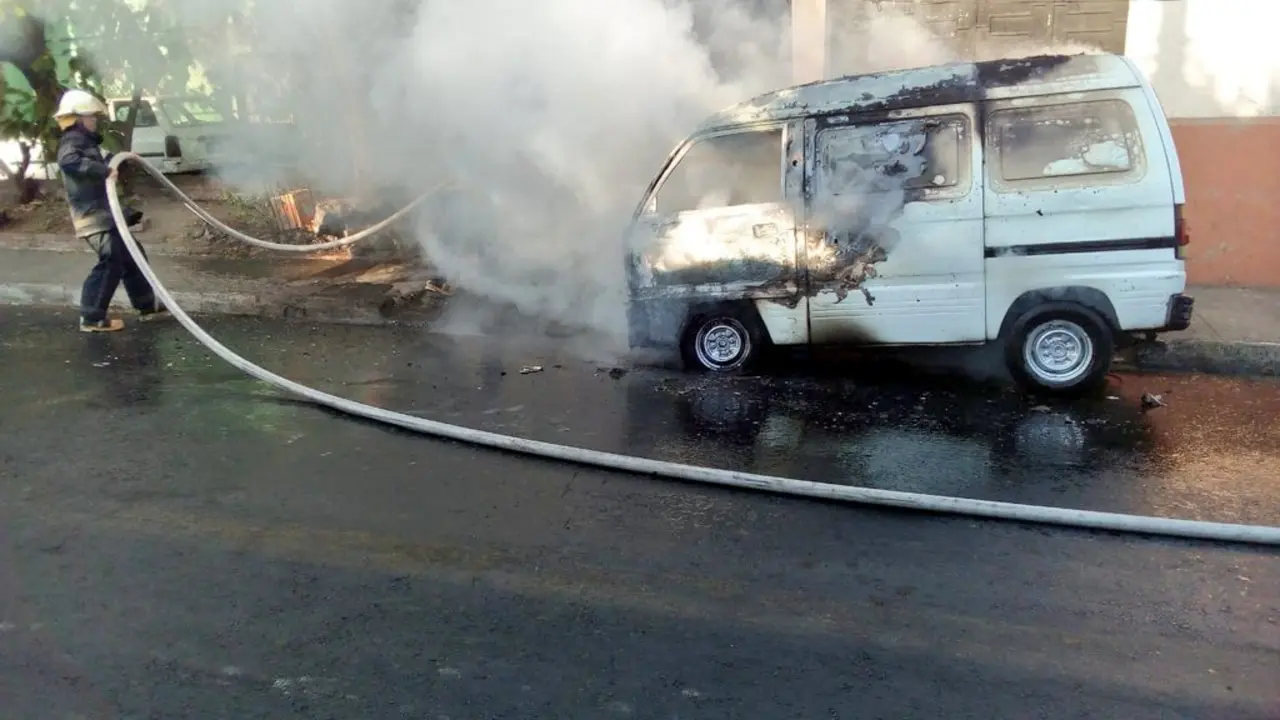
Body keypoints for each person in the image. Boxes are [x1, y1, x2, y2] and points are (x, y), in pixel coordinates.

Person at [54, 88, 167, 332]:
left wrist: (123, 160)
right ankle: (91, 316)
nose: (95, 121)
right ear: (78, 118)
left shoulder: (86, 143)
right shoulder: (73, 141)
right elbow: (69, 162)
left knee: (132, 255)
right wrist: (104, 171)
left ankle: (147, 305)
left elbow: (105, 162)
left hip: (104, 214)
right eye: (91, 117)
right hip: (93, 216)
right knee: (111, 260)